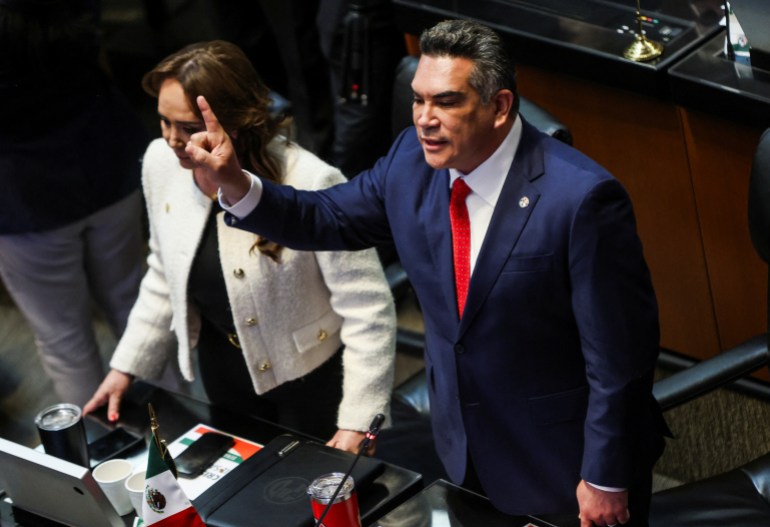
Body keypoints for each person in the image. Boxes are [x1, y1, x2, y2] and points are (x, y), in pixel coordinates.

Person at [184, 19, 670, 526]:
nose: (424, 119)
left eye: (446, 102)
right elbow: (326, 217)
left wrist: (604, 476)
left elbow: (620, 359)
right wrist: (237, 183)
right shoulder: (409, 163)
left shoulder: (582, 200)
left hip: (563, 463)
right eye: (418, 100)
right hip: (464, 448)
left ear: (500, 107)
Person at [82, 40, 396, 453]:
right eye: (164, 122)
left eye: (190, 128)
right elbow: (164, 270)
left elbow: (369, 308)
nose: (173, 140)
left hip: (314, 383)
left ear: (235, 122)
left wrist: (358, 418)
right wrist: (126, 366)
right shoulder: (161, 162)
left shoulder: (310, 179)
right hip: (224, 375)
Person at [0, 0, 148, 407]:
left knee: (63, 337)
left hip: (23, 196)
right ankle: (177, 428)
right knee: (136, 307)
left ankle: (97, 456)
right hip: (103, 159)